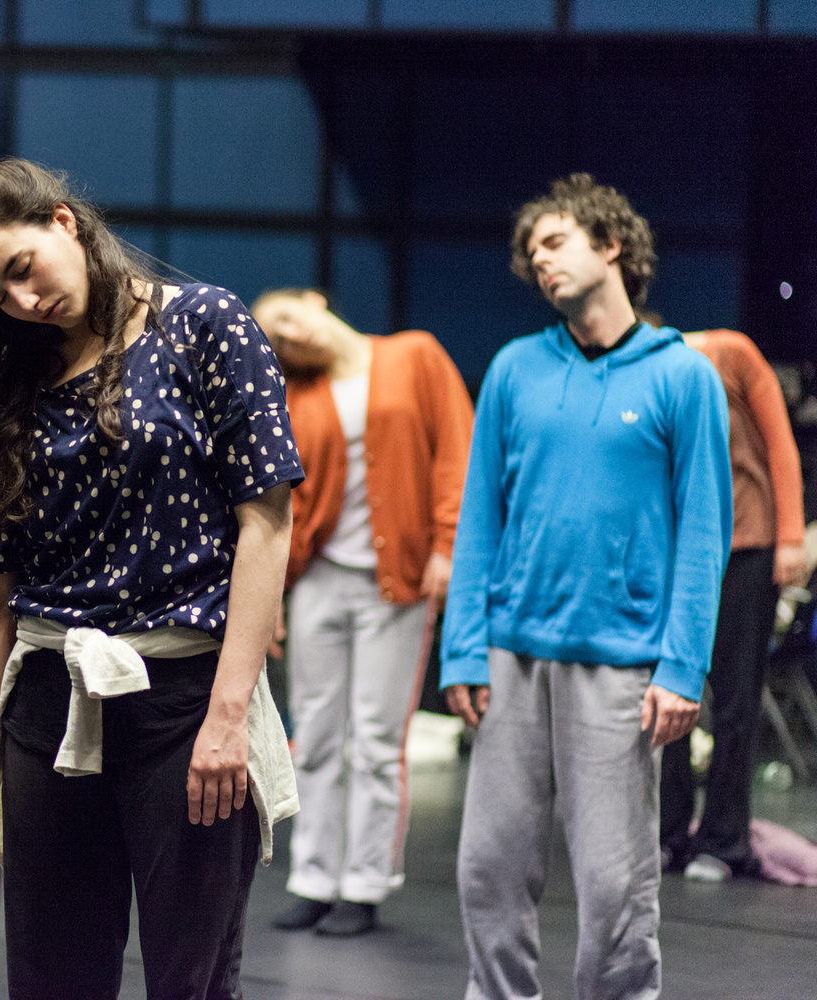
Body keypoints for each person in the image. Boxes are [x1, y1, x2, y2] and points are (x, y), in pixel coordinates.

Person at [0, 155, 301, 1000]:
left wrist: (229, 716)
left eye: (20, 270)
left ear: (62, 222)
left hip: (184, 705)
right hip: (49, 705)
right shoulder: (14, 375)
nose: (21, 301)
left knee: (188, 983)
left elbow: (266, 526)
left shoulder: (205, 324)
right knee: (50, 982)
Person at [441, 173, 731, 1000]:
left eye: (556, 241)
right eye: (531, 251)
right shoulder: (514, 370)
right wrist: (462, 648)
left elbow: (704, 534)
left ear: (611, 247)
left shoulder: (682, 376)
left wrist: (682, 668)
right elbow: (480, 521)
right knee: (487, 874)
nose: (539, 259)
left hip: (624, 665)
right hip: (511, 657)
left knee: (614, 889)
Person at [252, 288, 472, 936]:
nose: (292, 337)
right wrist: (271, 594)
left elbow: (457, 452)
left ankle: (364, 886)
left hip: (397, 582)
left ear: (312, 300)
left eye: (288, 318)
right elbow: (279, 497)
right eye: (278, 340)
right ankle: (316, 880)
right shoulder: (299, 395)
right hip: (319, 581)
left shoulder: (414, 356)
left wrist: (447, 545)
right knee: (315, 734)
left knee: (377, 740)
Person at [653, 319, 807, 880]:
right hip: (680, 551)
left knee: (738, 696)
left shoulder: (730, 352)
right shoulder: (639, 380)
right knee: (667, 690)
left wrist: (790, 538)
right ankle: (668, 833)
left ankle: (723, 840)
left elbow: (781, 447)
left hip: (748, 544)